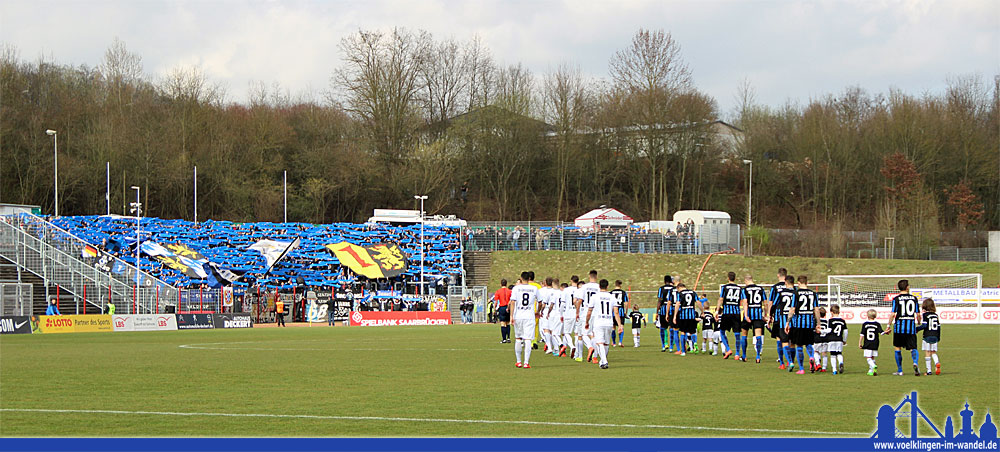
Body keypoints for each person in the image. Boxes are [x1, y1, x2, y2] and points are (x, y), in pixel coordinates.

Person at [885, 279, 921, 377]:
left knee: (897, 348)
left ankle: (900, 370)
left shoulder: (896, 299)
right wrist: (918, 322)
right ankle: (915, 363)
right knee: (913, 347)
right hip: (911, 327)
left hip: (899, 327)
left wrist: (888, 326)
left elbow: (893, 314)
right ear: (907, 287)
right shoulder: (914, 299)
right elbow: (918, 314)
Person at [785, 275, 819, 374]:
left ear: (798, 283)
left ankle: (801, 369)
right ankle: (812, 357)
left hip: (798, 323)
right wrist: (818, 323)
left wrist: (788, 322)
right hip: (809, 323)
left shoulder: (796, 293)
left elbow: (792, 309)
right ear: (807, 283)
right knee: (809, 344)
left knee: (799, 345)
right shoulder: (813, 294)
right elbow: (816, 310)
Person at [584, 279, 620, 369]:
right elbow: (616, 312)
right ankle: (603, 360)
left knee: (599, 343)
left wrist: (587, 322)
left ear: (599, 286)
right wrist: (620, 324)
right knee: (606, 343)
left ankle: (604, 361)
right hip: (609, 322)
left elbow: (589, 311)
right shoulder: (612, 297)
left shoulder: (595, 297)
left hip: (599, 322)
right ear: (607, 286)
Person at [511, 272, 541, 369]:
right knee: (528, 339)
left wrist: (511, 316)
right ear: (529, 279)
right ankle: (526, 362)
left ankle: (518, 361)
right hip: (529, 315)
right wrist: (538, 311)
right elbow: (540, 302)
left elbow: (512, 302)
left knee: (518, 338)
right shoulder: (534, 288)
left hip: (518, 315)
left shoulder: (516, 288)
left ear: (521, 278)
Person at [740, 275, 767, 363]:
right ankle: (758, 356)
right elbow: (765, 303)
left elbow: (745, 303)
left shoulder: (744, 290)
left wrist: (746, 315)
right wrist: (766, 314)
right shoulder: (760, 289)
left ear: (745, 281)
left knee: (744, 335)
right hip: (758, 315)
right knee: (758, 336)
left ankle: (744, 356)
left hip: (749, 315)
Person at [718, 272, 742, 360]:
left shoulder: (724, 287)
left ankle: (728, 349)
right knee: (737, 334)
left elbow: (721, 299)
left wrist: (717, 311)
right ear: (734, 278)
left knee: (722, 331)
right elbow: (743, 300)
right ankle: (737, 354)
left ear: (728, 278)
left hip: (727, 313)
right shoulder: (739, 288)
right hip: (736, 313)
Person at [767, 268, 789, 368]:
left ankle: (782, 362)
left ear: (778, 275)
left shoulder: (775, 287)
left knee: (779, 338)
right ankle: (789, 360)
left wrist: (769, 315)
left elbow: (771, 302)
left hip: (778, 316)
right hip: (790, 317)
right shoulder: (791, 287)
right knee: (789, 339)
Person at [672, 283, 701, 356]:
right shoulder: (693, 292)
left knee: (683, 333)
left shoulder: (680, 294)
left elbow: (678, 304)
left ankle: (683, 351)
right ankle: (695, 343)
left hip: (683, 316)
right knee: (692, 332)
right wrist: (702, 311)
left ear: (679, 288)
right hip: (692, 315)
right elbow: (698, 302)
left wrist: (675, 316)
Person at [579, 270, 601, 363]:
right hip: (596, 313)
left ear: (589, 276)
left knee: (584, 334)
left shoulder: (584, 287)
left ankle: (590, 347)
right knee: (594, 335)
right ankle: (595, 357)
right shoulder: (599, 287)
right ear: (596, 277)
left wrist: (577, 313)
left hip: (586, 312)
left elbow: (580, 300)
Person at [917, 298, 941, 375]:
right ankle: (937, 362)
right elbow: (939, 327)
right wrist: (938, 337)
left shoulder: (925, 315)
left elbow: (924, 325)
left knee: (927, 352)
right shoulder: (936, 315)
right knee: (933, 352)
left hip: (927, 336)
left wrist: (916, 329)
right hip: (935, 336)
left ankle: (929, 371)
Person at [859, 309, 882, 376]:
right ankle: (871, 371)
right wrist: (887, 332)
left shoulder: (865, 324)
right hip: (875, 343)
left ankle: (873, 365)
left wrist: (860, 343)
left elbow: (862, 334)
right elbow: (882, 332)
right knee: (872, 357)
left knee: (868, 358)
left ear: (867, 316)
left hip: (867, 343)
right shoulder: (877, 324)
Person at [656, 275, 675, 352]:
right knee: (671, 328)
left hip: (663, 309)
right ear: (671, 281)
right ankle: (671, 347)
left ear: (664, 281)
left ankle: (664, 345)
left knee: (663, 328)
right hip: (672, 310)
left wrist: (657, 312)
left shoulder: (661, 288)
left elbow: (660, 300)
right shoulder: (674, 288)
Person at [828, 305, 847, 375]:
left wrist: (822, 331)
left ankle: (834, 370)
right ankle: (841, 362)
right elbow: (845, 331)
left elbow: (829, 330)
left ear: (831, 312)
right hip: (839, 339)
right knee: (839, 353)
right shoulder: (842, 321)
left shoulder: (830, 320)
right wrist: (844, 340)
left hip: (831, 339)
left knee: (833, 355)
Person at [560, 280, 577, 358]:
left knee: (566, 333)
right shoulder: (579, 290)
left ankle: (571, 346)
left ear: (571, 281)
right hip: (577, 314)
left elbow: (562, 303)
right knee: (577, 334)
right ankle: (577, 353)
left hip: (568, 314)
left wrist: (561, 314)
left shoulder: (566, 290)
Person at [609, 280, 629, 347]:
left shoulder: (611, 292)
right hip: (620, 311)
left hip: (613, 312)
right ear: (620, 285)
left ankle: (614, 343)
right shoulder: (623, 292)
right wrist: (625, 312)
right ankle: (620, 342)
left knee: (613, 327)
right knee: (621, 326)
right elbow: (626, 303)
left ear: (615, 284)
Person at [814, 307, 829, 372]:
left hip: (817, 339)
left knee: (816, 352)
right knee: (824, 353)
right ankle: (824, 367)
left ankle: (818, 364)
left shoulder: (815, 321)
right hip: (825, 339)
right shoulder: (827, 322)